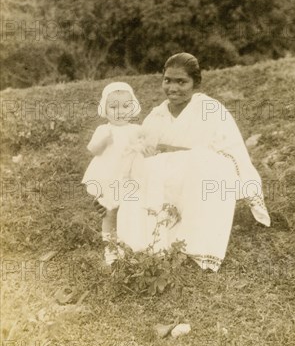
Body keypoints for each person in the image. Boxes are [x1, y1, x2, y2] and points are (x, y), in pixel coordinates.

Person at [117, 53, 270, 272]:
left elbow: (226, 153)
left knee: (202, 163)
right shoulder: (157, 115)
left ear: (195, 83)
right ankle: (151, 240)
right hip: (170, 174)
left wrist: (171, 150)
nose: (173, 87)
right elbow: (145, 146)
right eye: (167, 80)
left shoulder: (210, 109)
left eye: (181, 81)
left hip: (205, 173)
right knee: (140, 165)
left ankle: (191, 244)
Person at [82, 81, 145, 265]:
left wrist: (142, 146)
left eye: (126, 106)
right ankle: (110, 247)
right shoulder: (104, 129)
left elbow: (145, 147)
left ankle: (126, 244)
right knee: (110, 211)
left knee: (128, 210)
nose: (120, 111)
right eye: (113, 107)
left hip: (130, 177)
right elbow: (93, 150)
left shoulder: (136, 129)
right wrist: (104, 140)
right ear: (105, 109)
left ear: (133, 107)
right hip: (109, 176)